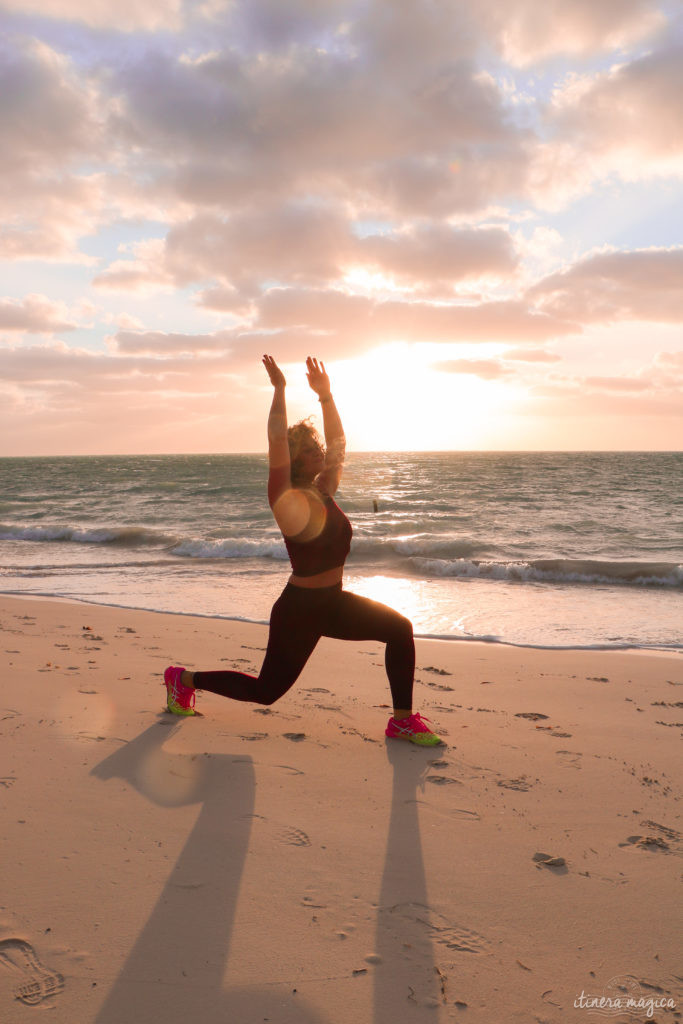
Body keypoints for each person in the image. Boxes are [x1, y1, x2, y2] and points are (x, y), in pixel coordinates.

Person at [163, 355, 442, 746]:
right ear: (293, 459)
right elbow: (277, 437)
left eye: (316, 448)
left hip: (333, 603)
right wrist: (280, 390)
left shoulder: (323, 490)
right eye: (310, 449)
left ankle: (401, 721)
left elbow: (340, 446)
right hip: (298, 611)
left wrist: (326, 398)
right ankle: (183, 680)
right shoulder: (284, 496)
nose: (319, 453)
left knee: (399, 630)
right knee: (266, 692)